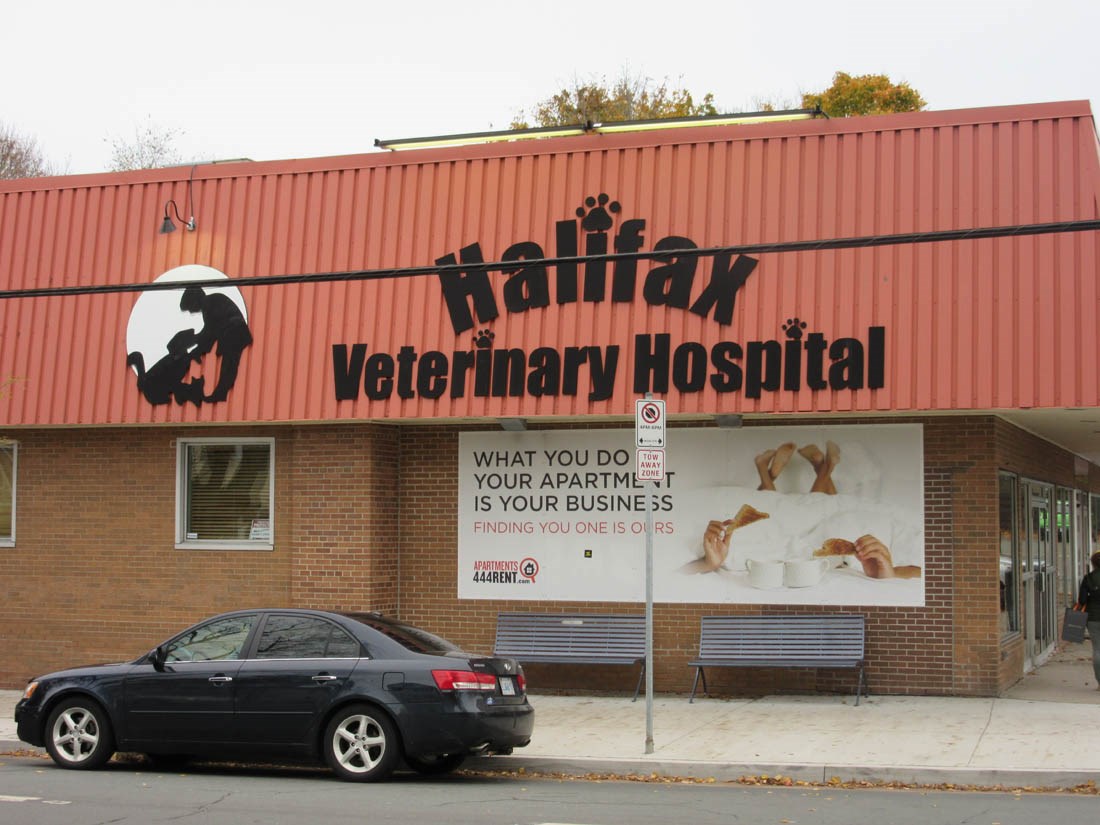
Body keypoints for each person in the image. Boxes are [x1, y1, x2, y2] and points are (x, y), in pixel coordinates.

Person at [1078, 551, 1100, 689]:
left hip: (1093, 618)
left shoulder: (1088, 578)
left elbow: (1082, 600)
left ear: (1093, 563)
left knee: (1097, 649)